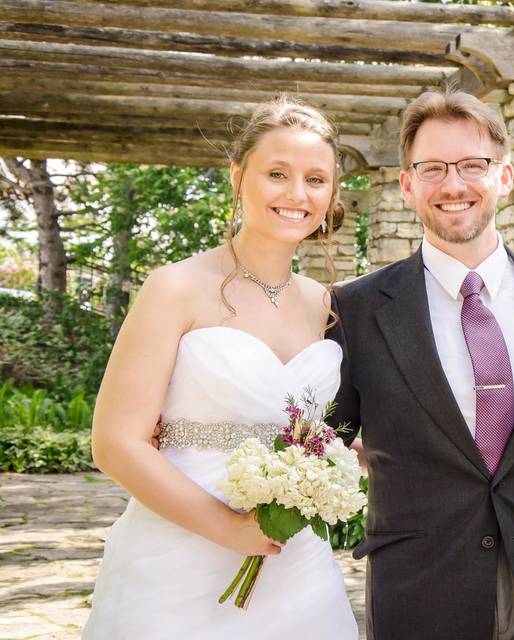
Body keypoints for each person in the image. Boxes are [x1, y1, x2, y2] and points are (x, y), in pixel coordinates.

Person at [83, 97, 358, 639]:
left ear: (331, 194)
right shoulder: (175, 287)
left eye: (316, 179)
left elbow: (334, 430)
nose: (297, 194)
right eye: (277, 173)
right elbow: (116, 442)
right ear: (238, 176)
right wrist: (229, 529)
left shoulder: (326, 303)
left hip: (296, 561)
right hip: (178, 557)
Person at [329, 90, 514, 640]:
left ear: (505, 176)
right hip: (420, 594)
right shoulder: (355, 309)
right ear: (407, 185)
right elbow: (324, 440)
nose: (453, 185)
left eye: (472, 165)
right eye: (432, 169)